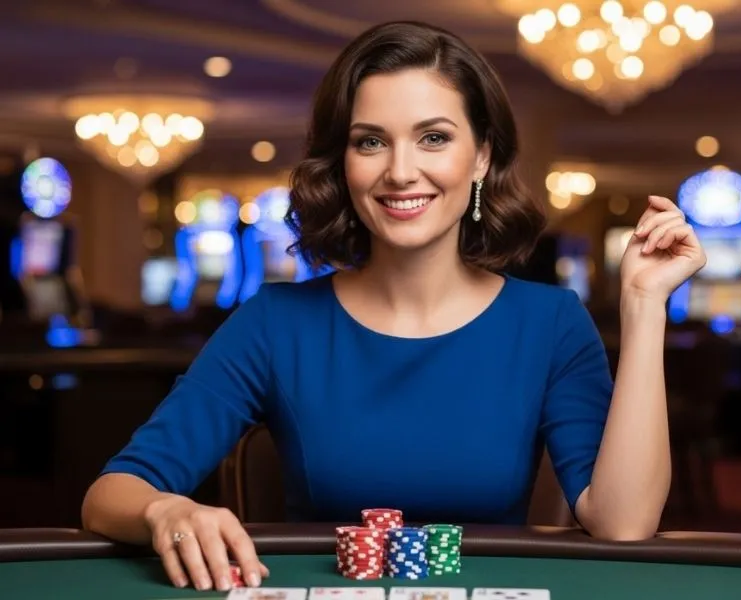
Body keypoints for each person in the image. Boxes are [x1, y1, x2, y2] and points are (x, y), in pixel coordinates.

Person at [81, 20, 707, 593]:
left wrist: (645, 302)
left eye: (433, 137)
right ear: (344, 162)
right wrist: (166, 507)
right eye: (371, 141)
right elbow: (110, 494)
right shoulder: (275, 322)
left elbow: (623, 523)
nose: (401, 171)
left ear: (482, 155)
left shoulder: (550, 323)